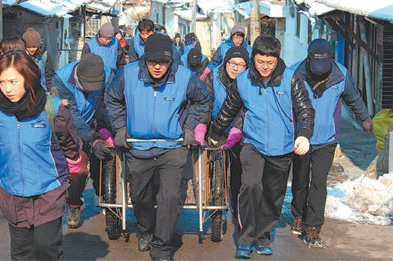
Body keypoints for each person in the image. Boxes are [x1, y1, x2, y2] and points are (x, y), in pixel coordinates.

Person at [207, 35, 314, 258]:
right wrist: (216, 133)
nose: (265, 67)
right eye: (260, 62)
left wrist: (303, 135)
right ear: (253, 58)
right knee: (251, 186)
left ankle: (262, 237)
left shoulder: (291, 78)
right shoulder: (244, 80)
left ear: (277, 59)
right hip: (252, 144)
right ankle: (245, 239)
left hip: (282, 147)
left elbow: (305, 108)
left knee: (273, 195)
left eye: (270, 63)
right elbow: (229, 108)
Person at [106, 34, 210, 261]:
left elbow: (202, 99)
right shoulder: (128, 73)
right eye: (153, 62)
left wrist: (189, 128)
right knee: (140, 196)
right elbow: (112, 98)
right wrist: (120, 128)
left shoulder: (184, 77)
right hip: (139, 147)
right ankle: (145, 228)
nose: (157, 67)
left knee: (170, 197)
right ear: (145, 59)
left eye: (163, 63)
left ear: (170, 61)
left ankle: (161, 248)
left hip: (171, 147)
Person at [0, 50, 81, 260]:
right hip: (13, 191)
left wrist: (71, 173)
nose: (7, 89)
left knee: (47, 249)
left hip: (48, 191)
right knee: (21, 253)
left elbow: (70, 147)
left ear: (28, 79)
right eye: (1, 82)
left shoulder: (52, 109)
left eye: (13, 81)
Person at [290, 39, 373, 247]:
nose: (319, 72)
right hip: (300, 138)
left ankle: (313, 226)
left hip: (327, 139)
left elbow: (353, 98)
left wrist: (364, 118)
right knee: (300, 180)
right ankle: (299, 214)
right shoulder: (293, 73)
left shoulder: (341, 75)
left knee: (319, 182)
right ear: (308, 59)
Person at [51, 53, 115, 228]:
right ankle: (73, 203)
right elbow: (72, 116)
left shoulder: (109, 76)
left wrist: (106, 131)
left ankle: (102, 192)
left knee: (106, 154)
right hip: (70, 127)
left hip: (95, 120)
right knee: (78, 169)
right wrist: (92, 139)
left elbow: (108, 104)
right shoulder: (61, 81)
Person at [195, 46, 250, 216]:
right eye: (232, 63)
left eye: (240, 65)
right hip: (217, 130)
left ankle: (236, 206)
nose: (235, 68)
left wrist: (237, 128)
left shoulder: (249, 82)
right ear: (225, 63)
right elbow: (206, 103)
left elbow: (247, 109)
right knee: (216, 166)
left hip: (241, 133)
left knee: (238, 172)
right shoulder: (213, 78)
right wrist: (202, 126)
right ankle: (216, 201)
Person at [22, 28, 54, 92]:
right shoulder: (22, 55)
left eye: (34, 47)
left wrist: (48, 89)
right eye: (28, 47)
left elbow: (49, 74)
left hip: (42, 90)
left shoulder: (45, 55)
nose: (31, 49)